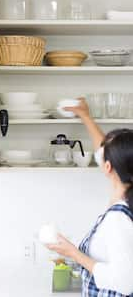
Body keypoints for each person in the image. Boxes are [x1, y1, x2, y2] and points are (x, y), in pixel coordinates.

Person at [46, 98, 133, 297]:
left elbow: (125, 282)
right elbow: (104, 152)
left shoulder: (118, 218)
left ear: (108, 167)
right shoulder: (126, 204)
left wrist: (74, 254)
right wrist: (85, 116)